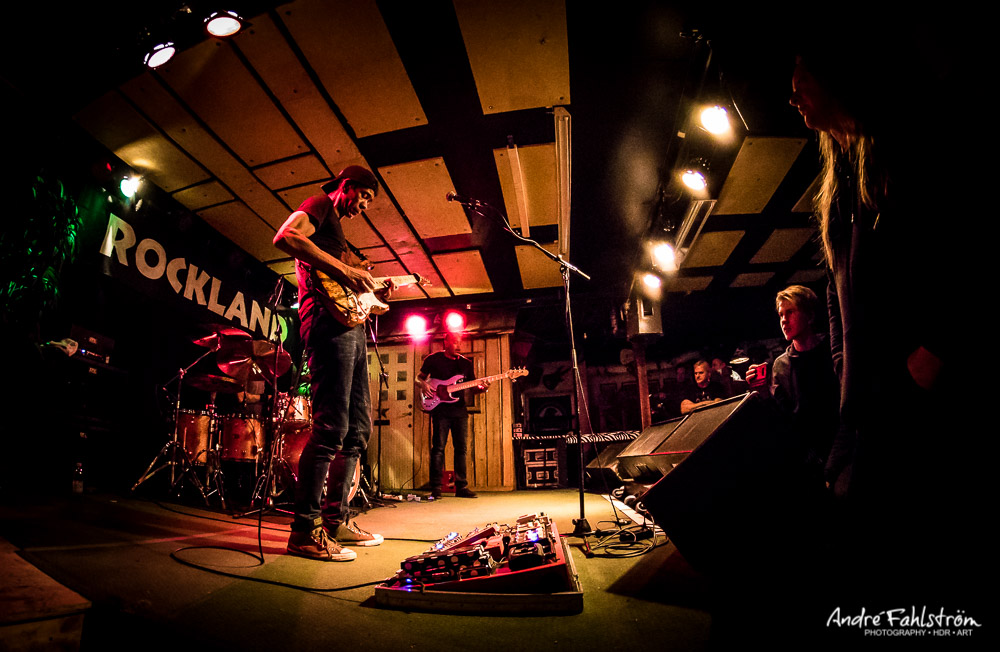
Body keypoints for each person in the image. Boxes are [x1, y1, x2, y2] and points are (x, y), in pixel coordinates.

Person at [273, 166, 391, 561]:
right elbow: (286, 236)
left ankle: (335, 521)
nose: (365, 206)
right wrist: (346, 270)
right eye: (365, 197)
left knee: (357, 431)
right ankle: (304, 531)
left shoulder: (336, 232)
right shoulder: (320, 204)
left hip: (350, 326)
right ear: (348, 187)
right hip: (326, 325)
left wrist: (371, 290)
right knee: (331, 428)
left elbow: (344, 285)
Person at [769, 285, 839, 471]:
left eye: (790, 312)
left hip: (842, 442)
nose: (784, 320)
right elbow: (783, 416)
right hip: (805, 456)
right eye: (781, 315)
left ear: (809, 316)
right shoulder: (781, 365)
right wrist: (763, 394)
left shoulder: (832, 349)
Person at [416, 331, 489, 499]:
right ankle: (436, 488)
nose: (459, 345)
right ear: (446, 342)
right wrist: (423, 385)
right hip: (440, 410)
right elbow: (418, 378)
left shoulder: (465, 364)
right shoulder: (433, 359)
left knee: (461, 449)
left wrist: (484, 388)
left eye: (460, 342)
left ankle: (461, 487)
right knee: (438, 448)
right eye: (455, 342)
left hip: (459, 411)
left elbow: (473, 388)